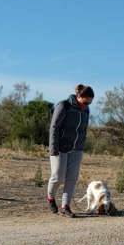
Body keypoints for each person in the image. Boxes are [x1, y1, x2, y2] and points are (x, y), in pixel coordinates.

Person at [47, 84, 94, 217]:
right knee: (58, 177)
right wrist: (53, 148)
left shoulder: (86, 110)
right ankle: (50, 198)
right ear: (78, 97)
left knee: (72, 178)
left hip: (77, 149)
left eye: (90, 103)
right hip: (60, 147)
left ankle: (65, 206)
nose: (86, 105)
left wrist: (82, 144)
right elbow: (54, 127)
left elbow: (83, 129)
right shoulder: (64, 106)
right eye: (85, 102)